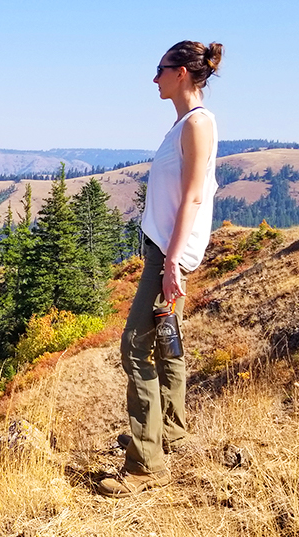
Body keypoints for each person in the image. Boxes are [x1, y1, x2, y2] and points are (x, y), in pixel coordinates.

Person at [97, 40, 223, 496]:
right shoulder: (184, 124)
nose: (155, 78)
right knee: (167, 342)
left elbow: (193, 196)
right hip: (165, 248)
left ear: (182, 72)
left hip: (170, 253)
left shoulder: (198, 124)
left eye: (161, 69)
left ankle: (146, 465)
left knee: (135, 347)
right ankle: (167, 431)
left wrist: (171, 261)